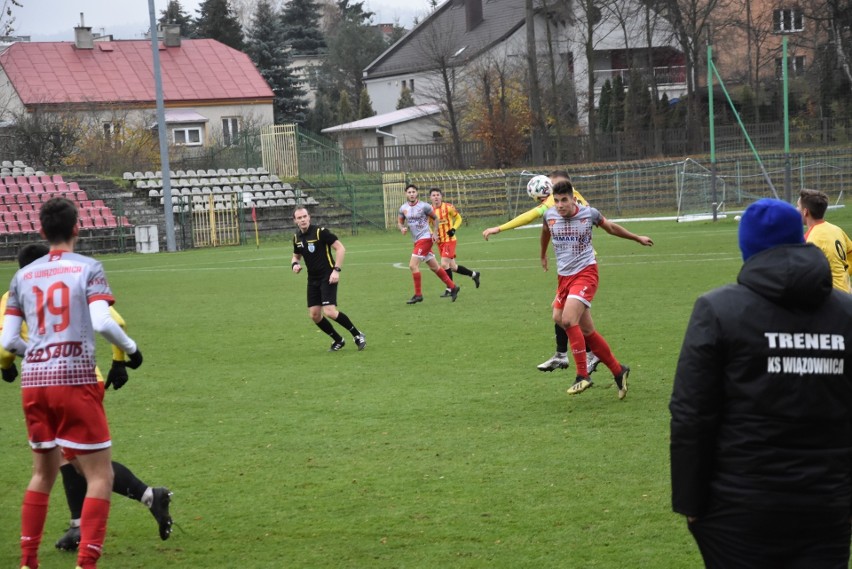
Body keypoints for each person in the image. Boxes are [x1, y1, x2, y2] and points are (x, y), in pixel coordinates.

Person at [670, 198, 852, 569]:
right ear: (800, 239)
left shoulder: (718, 310)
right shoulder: (845, 314)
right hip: (826, 506)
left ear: (746, 248)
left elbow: (692, 414)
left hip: (739, 507)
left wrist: (690, 503)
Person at [0, 243, 172, 552]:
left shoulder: (15, 292)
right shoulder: (75, 279)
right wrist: (120, 360)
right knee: (72, 460)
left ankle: (147, 497)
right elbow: (114, 322)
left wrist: (8, 365)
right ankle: (81, 524)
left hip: (48, 383)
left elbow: (5, 344)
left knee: (82, 465)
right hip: (84, 376)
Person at [541, 180, 653, 399]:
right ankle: (618, 370)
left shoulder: (589, 214)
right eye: (557, 201)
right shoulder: (549, 215)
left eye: (565, 200)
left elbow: (611, 228)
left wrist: (636, 238)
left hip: (586, 274)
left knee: (568, 320)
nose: (561, 205)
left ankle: (582, 375)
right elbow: (545, 231)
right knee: (580, 328)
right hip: (564, 277)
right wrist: (542, 254)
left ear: (574, 199)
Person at [483, 170, 600, 374]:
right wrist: (543, 253)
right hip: (571, 263)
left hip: (581, 265)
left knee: (569, 316)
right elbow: (547, 228)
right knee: (563, 315)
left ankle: (582, 358)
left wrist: (499, 228)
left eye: (552, 184)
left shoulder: (557, 201)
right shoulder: (569, 197)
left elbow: (531, 216)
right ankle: (566, 355)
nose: (550, 189)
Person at [291, 207, 366, 351]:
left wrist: (336, 270)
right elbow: (296, 255)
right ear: (295, 221)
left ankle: (357, 335)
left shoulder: (320, 232)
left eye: (304, 216)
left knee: (330, 311)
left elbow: (340, 248)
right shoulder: (297, 238)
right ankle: (338, 340)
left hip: (328, 276)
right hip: (312, 279)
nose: (302, 220)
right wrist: (294, 264)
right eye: (299, 218)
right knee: (314, 315)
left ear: (309, 217)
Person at [398, 184, 460, 304]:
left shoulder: (424, 206)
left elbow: (436, 219)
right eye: (409, 192)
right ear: (406, 194)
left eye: (414, 192)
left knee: (412, 265)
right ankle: (453, 287)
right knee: (435, 267)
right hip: (416, 241)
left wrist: (435, 233)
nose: (411, 194)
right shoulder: (403, 208)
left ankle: (418, 295)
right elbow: (400, 222)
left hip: (425, 238)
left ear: (417, 193)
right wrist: (402, 228)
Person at [796, 188, 852, 292]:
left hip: (831, 299)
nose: (796, 209)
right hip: (847, 295)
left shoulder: (810, 239)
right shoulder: (836, 229)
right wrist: (842, 272)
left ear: (805, 212)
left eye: (798, 206)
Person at [428, 187, 481, 297]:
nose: (436, 197)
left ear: (441, 196)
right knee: (453, 267)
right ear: (430, 198)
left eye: (438, 195)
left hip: (450, 240)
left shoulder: (448, 207)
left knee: (443, 264)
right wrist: (432, 233)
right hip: (440, 241)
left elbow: (459, 218)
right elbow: (427, 224)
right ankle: (474, 274)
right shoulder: (429, 210)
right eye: (433, 195)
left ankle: (450, 288)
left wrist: (454, 229)